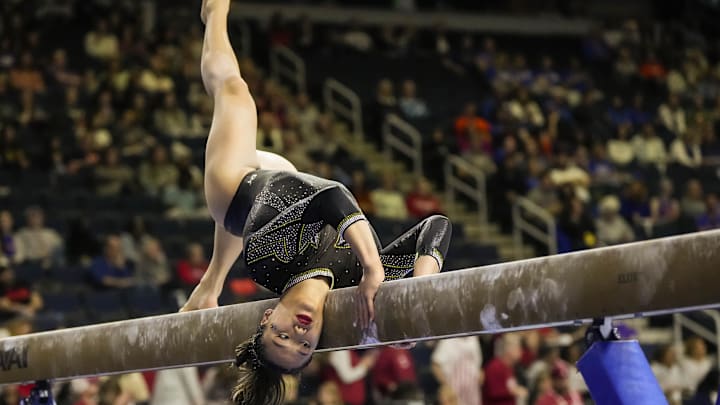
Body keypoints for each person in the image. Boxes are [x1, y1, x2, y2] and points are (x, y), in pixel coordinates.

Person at [180, 2, 453, 405]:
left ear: (268, 316)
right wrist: (419, 289)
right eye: (304, 347)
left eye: (282, 335)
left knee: (235, 92)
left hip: (238, 187)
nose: (299, 333)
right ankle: (210, 284)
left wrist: (374, 268)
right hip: (288, 186)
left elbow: (331, 195)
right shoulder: (350, 281)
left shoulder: (267, 262)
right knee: (279, 192)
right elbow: (436, 226)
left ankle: (214, 13)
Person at [432, 336, 483, 405]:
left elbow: (477, 363)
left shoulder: (473, 339)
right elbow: (435, 364)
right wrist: (445, 385)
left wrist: (480, 372)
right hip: (453, 389)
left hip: (472, 389)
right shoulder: (448, 340)